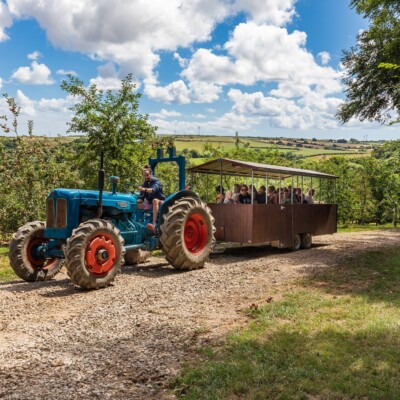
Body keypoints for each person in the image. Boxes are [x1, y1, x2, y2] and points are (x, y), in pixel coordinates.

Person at [137, 165, 166, 231]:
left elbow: (153, 190)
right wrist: (138, 201)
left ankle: (154, 223)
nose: (146, 176)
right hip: (150, 203)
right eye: (144, 175)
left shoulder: (157, 182)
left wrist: (143, 189)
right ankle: (138, 222)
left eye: (147, 175)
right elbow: (142, 197)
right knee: (137, 204)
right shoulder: (144, 183)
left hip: (160, 202)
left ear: (150, 174)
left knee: (155, 200)